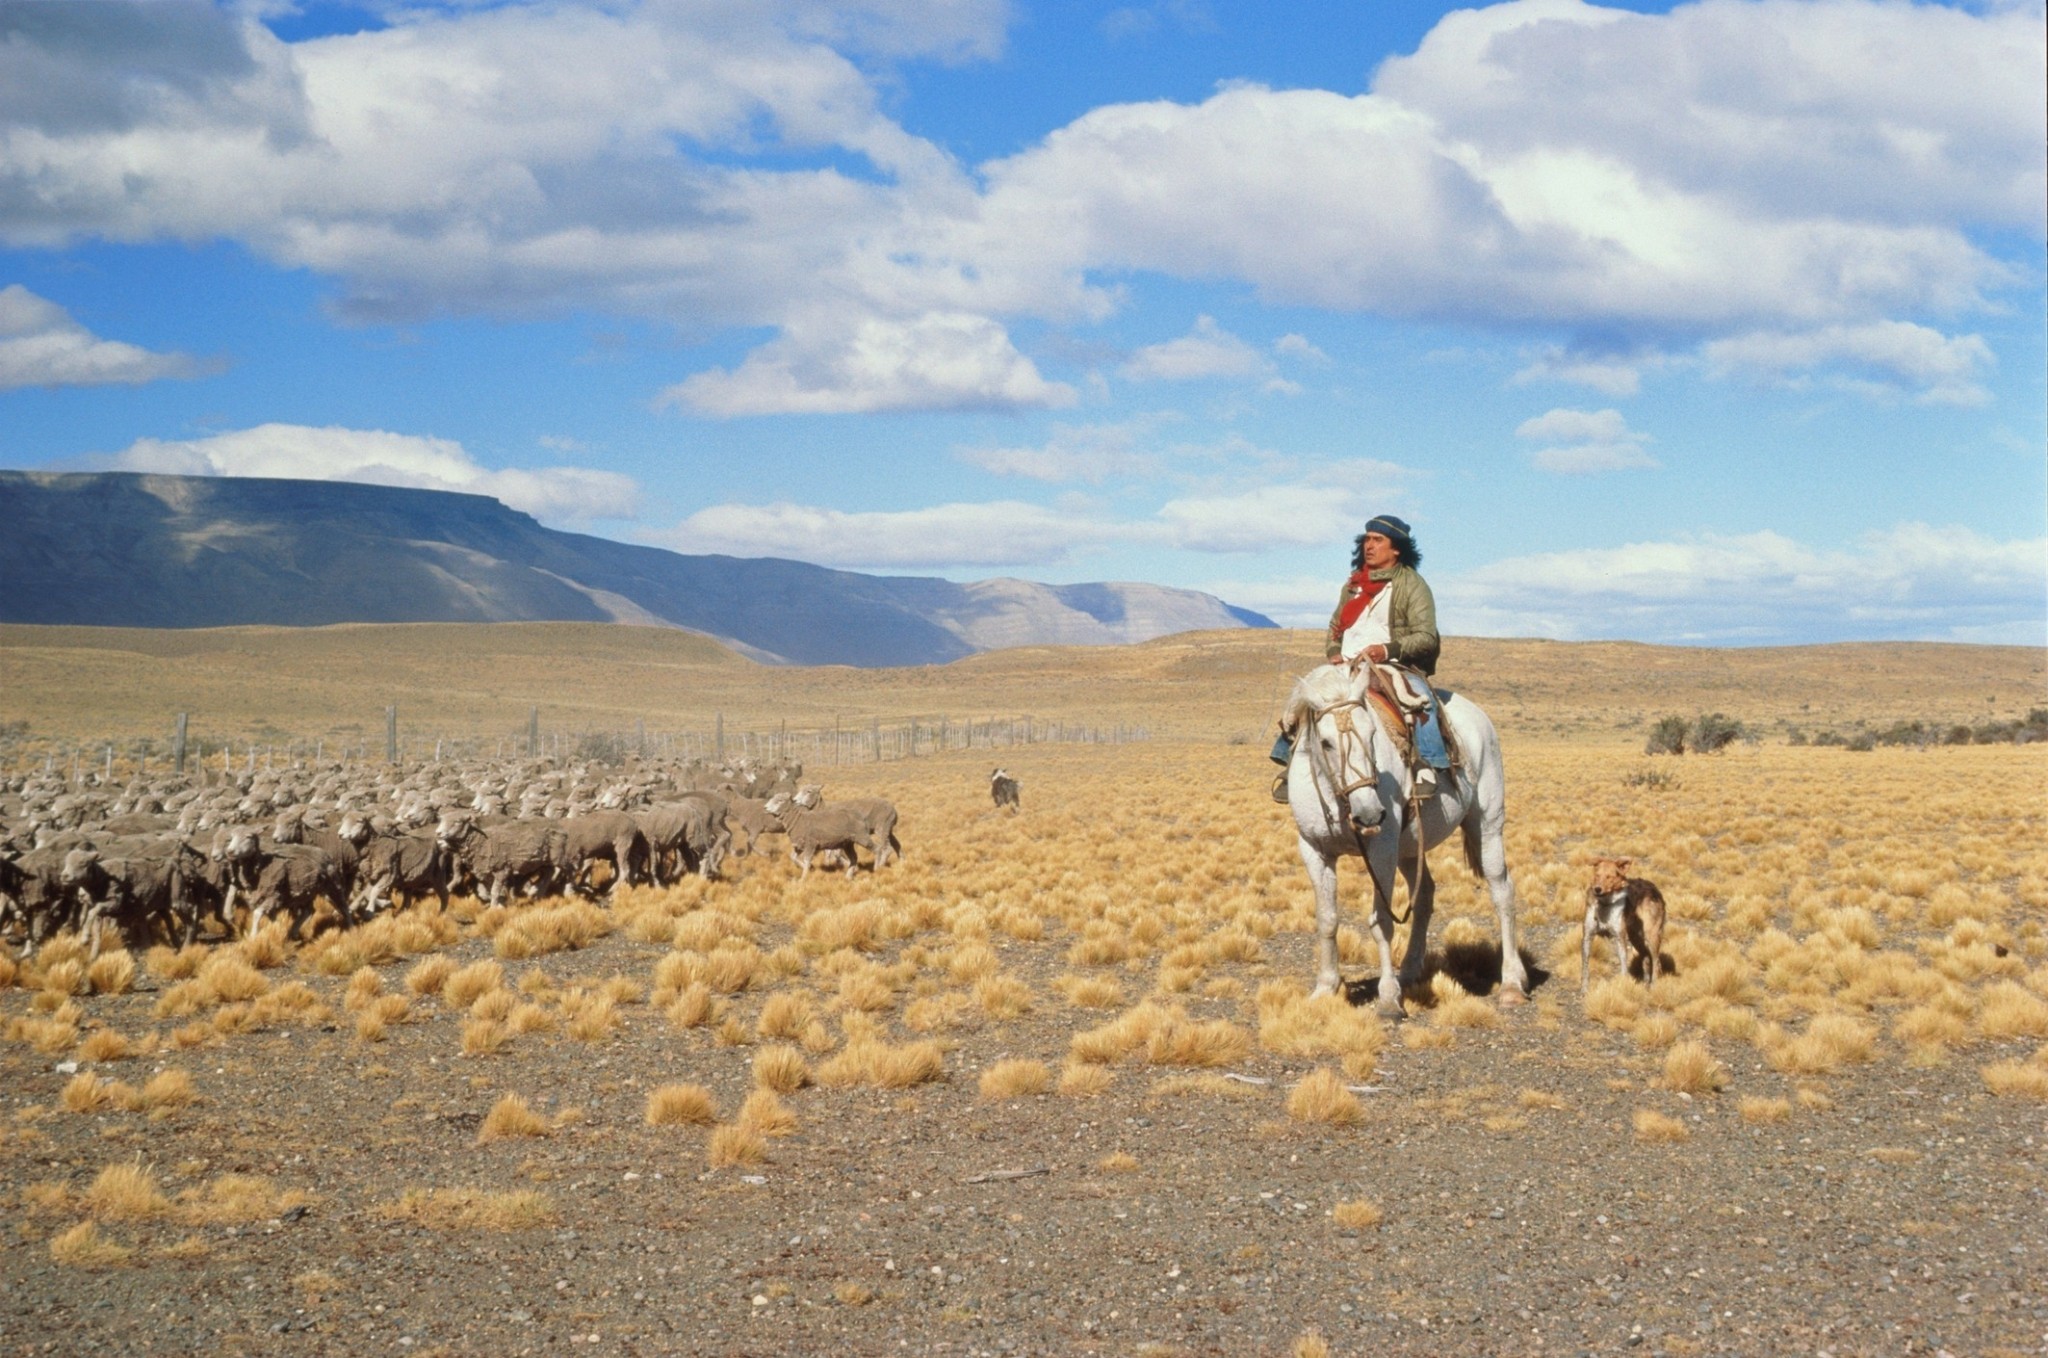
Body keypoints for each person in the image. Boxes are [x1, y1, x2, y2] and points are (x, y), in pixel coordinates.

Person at [1271, 514, 1451, 801]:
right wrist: (1333, 653)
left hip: (1391, 663)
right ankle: (1291, 763)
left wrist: (1387, 650)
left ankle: (1428, 765)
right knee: (1304, 698)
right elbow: (1334, 628)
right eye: (1367, 539)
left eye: (1378, 540)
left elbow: (1426, 636)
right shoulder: (1353, 586)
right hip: (1347, 665)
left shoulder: (1412, 585)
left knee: (1420, 698)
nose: (1369, 545)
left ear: (1396, 549)